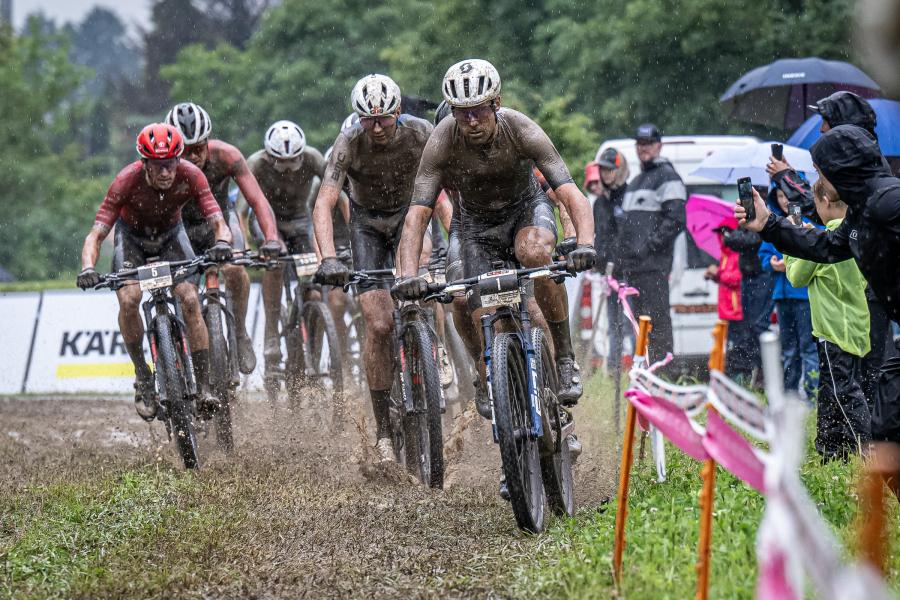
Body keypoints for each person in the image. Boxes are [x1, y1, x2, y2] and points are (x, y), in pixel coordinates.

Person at [392, 59, 595, 420]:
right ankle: (486, 374)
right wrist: (408, 275)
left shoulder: (521, 128)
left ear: (496, 104)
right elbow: (418, 214)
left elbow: (570, 193)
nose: (471, 122)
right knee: (466, 300)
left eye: (479, 111)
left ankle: (563, 356)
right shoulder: (442, 140)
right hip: (473, 227)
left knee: (533, 254)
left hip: (525, 210)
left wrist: (584, 244)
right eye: (462, 113)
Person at [735, 124, 900, 449]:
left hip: (852, 326)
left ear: (841, 170)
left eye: (821, 172)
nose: (819, 181)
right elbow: (826, 246)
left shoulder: (889, 202)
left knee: (879, 422)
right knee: (885, 425)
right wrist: (769, 224)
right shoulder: (862, 211)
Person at [312, 74, 433, 463]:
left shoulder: (421, 133)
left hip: (410, 214)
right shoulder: (347, 143)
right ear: (358, 117)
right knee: (379, 324)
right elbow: (325, 201)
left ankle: (435, 348)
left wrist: (455, 238)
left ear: (399, 112)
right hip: (366, 225)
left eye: (384, 119)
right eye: (368, 119)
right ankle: (383, 427)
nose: (377, 127)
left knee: (425, 273)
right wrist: (328, 256)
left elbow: (444, 188)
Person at [76, 123, 233, 419]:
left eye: (171, 164)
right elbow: (95, 235)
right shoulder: (125, 180)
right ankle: (144, 378)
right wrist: (87, 267)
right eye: (158, 166)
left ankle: (204, 385)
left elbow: (218, 219)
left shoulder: (191, 174)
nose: (165, 172)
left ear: (178, 160)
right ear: (144, 164)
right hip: (132, 239)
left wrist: (223, 241)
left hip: (172, 236)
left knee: (189, 298)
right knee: (129, 300)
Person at [165, 102, 282, 376]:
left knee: (234, 268)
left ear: (208, 141)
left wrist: (272, 238)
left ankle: (240, 332)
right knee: (187, 293)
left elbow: (257, 200)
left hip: (220, 223)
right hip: (180, 227)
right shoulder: (165, 170)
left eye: (198, 149)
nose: (192, 157)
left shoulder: (227, 156)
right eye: (184, 151)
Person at [241, 120, 338, 379]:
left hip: (299, 220)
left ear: (301, 154)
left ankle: (313, 348)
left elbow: (338, 192)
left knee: (315, 292)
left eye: (292, 162)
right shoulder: (256, 164)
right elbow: (241, 211)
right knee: (276, 261)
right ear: (269, 156)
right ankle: (272, 333)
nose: (286, 170)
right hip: (267, 221)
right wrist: (247, 248)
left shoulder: (313, 158)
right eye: (280, 163)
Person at [785, 178, 871, 460]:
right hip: (856, 326)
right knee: (830, 389)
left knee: (843, 391)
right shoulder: (857, 235)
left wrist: (792, 243)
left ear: (824, 202)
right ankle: (831, 448)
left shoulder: (823, 243)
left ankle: (868, 448)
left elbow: (796, 277)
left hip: (833, 330)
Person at [616, 124, 686, 368]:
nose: (643, 148)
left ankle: (664, 373)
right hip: (633, 269)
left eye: (648, 143)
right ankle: (645, 373)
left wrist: (648, 247)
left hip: (654, 267)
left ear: (659, 145)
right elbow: (626, 228)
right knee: (639, 325)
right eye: (640, 144)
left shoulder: (668, 175)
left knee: (657, 324)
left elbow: (677, 220)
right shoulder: (635, 181)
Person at [758, 184, 819, 399]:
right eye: (781, 196)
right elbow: (764, 254)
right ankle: (790, 396)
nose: (785, 200)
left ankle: (812, 395)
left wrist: (790, 261)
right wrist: (771, 263)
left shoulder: (808, 224)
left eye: (788, 196)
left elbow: (813, 252)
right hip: (781, 296)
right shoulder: (775, 225)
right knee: (788, 349)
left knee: (808, 347)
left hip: (803, 296)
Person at [590, 148, 632, 372]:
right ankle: (614, 369)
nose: (606, 174)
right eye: (603, 169)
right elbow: (600, 238)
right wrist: (597, 261)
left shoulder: (630, 196)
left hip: (629, 272)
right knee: (613, 323)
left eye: (610, 169)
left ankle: (638, 366)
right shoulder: (600, 203)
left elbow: (629, 235)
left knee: (631, 322)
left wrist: (619, 258)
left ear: (619, 170)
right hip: (609, 273)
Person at [705, 218, 748, 380]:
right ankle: (731, 379)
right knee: (728, 348)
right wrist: (715, 276)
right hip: (726, 310)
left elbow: (737, 278)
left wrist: (719, 274)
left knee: (736, 348)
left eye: (724, 234)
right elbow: (727, 279)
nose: (722, 238)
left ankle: (739, 381)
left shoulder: (736, 254)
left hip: (736, 311)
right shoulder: (724, 255)